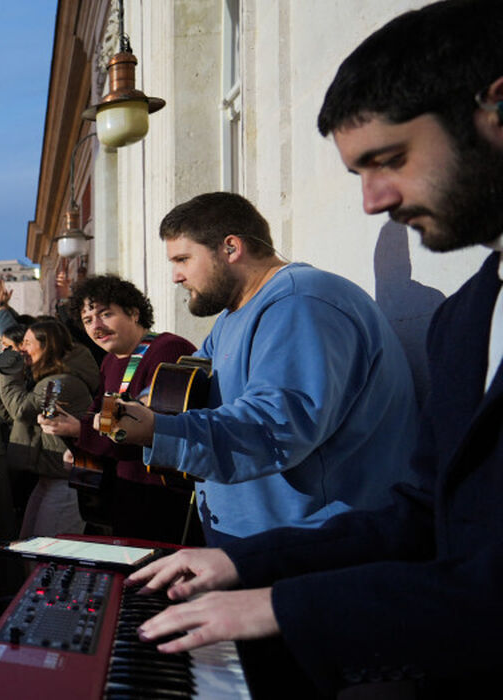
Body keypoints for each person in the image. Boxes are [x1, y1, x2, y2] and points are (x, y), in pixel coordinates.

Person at [130, 1, 503, 695]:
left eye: (389, 160)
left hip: (332, 590)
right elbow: (423, 517)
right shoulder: (468, 317)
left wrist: (276, 592)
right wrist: (242, 566)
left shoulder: (300, 301)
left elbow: (279, 428)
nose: (371, 201)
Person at [106, 192, 419, 545]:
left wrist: (157, 431)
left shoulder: (300, 304)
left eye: (183, 259)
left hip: (319, 548)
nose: (176, 277)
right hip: (263, 549)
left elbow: (275, 427)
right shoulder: (232, 317)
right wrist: (147, 406)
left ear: (231, 248)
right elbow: (192, 392)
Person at [36, 274, 200, 544]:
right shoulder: (110, 362)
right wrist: (74, 437)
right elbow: (99, 416)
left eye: (105, 314)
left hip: (163, 501)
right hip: (125, 495)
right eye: (88, 321)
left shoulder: (168, 349)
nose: (96, 327)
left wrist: (81, 431)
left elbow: (159, 430)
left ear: (134, 313)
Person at [0, 319, 94, 538]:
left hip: (66, 482)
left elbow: (22, 409)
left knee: (47, 551)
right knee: (28, 544)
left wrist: (8, 369)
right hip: (50, 477)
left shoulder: (60, 383)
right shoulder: (48, 380)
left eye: (28, 343)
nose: (22, 349)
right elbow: (12, 415)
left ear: (46, 346)